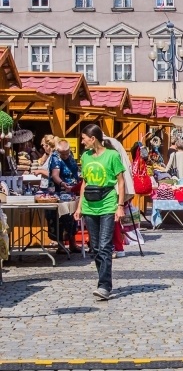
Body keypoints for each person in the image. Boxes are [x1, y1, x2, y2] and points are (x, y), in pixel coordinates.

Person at [73, 124, 127, 301]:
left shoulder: (112, 156)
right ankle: (102, 281)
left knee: (104, 246)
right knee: (95, 248)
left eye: (84, 138)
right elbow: (85, 183)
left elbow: (120, 181)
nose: (82, 142)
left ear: (93, 138)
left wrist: (120, 206)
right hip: (89, 205)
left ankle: (104, 285)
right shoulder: (86, 157)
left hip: (107, 203)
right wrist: (79, 207)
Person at [48, 139, 81, 254]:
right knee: (61, 218)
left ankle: (73, 244)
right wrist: (62, 183)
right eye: (63, 154)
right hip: (59, 192)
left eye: (67, 152)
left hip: (71, 191)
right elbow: (55, 175)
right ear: (58, 151)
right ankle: (61, 245)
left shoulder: (70, 154)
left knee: (72, 217)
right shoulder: (55, 157)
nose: (66, 155)